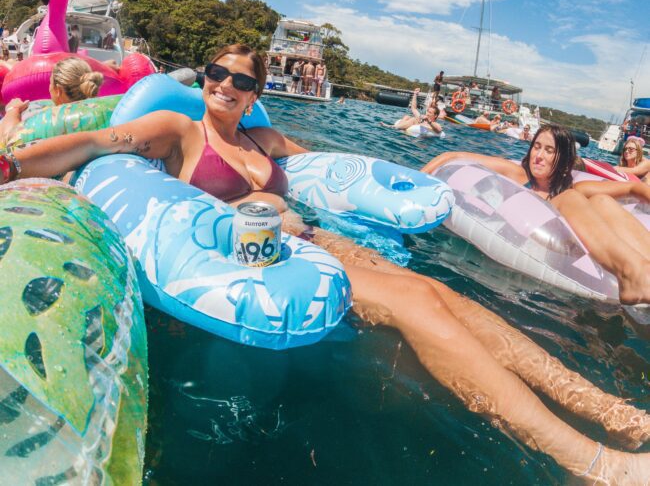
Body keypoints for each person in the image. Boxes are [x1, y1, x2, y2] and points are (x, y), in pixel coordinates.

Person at [2, 46, 650, 481]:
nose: (225, 85)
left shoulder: (264, 139)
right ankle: (588, 461)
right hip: (264, 258)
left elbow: (324, 171)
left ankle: (612, 413)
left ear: (257, 90)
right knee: (418, 305)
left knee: (445, 295)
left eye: (242, 80)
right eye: (215, 73)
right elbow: (100, 141)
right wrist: (11, 162)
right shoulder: (179, 129)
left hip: (322, 240)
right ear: (202, 78)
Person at [422, 124, 650, 306]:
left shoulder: (574, 187)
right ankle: (632, 273)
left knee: (602, 200)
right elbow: (455, 156)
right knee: (571, 198)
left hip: (558, 292)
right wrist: (416, 178)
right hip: (512, 285)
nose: (538, 156)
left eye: (549, 150)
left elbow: (634, 189)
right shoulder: (518, 174)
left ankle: (642, 273)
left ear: (563, 161)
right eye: (536, 147)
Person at [0, 57, 104, 139]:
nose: (49, 87)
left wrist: (13, 110)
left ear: (58, 90)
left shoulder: (47, 121)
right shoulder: (97, 116)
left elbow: (8, 139)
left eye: (50, 82)